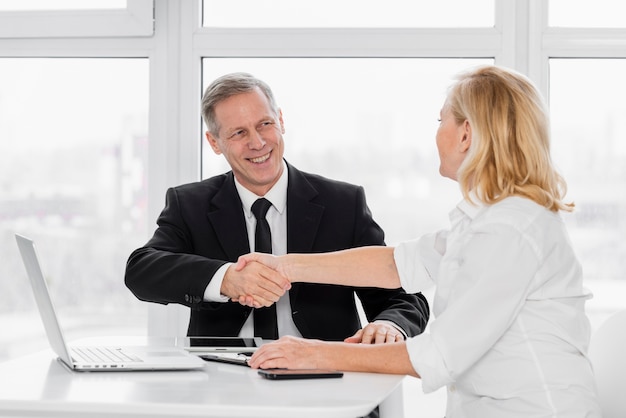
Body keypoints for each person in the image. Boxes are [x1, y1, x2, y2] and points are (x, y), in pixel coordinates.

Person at [239, 66, 602, 417]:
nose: (436, 133)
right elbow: (396, 264)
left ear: (465, 135)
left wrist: (315, 354)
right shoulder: (490, 219)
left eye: (441, 120)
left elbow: (438, 354)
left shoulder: (510, 229)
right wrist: (283, 265)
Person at [124, 72, 429, 345]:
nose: (257, 143)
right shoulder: (189, 204)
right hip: (221, 385)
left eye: (264, 124)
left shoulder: (342, 203)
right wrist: (225, 278)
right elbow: (142, 270)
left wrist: (390, 324)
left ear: (281, 121)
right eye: (239, 133)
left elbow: (402, 297)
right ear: (214, 142)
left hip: (324, 379)